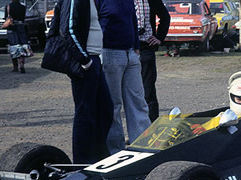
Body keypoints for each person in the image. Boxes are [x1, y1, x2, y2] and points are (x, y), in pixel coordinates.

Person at [47, 0, 114, 163]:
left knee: (105, 110)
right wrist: (84, 59)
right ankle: (82, 162)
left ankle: (99, 157)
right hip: (86, 61)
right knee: (85, 114)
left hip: (94, 59)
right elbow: (67, 30)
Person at [100, 0, 151, 154]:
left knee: (138, 102)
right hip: (109, 53)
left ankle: (144, 146)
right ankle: (116, 151)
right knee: (113, 106)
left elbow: (133, 20)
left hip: (130, 54)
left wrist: (136, 47)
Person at [135, 0, 170, 122]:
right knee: (129, 93)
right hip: (127, 48)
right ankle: (136, 131)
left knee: (148, 90)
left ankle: (152, 127)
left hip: (145, 48)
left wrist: (159, 38)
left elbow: (165, 17)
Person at [5, 0, 31, 73]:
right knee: (22, 46)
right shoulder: (23, 7)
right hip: (21, 27)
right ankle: (22, 64)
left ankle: (15, 67)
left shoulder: (8, 6)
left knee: (13, 46)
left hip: (11, 28)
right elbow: (23, 18)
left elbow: (6, 18)